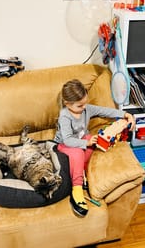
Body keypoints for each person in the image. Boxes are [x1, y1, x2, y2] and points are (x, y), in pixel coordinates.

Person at [54, 79, 135, 217]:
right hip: (64, 145)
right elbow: (67, 140)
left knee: (94, 144)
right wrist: (86, 143)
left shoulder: (86, 108)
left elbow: (105, 111)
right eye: (80, 105)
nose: (84, 107)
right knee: (79, 152)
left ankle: (82, 173)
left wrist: (126, 115)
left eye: (85, 103)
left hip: (82, 141)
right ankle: (77, 189)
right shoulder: (65, 115)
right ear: (67, 104)